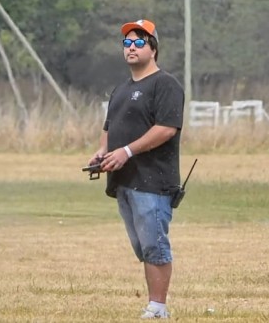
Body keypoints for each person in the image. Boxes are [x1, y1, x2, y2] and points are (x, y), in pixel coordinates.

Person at [89, 18, 185, 320]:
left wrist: (127, 151)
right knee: (142, 247)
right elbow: (110, 126)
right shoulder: (121, 88)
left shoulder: (165, 84)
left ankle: (158, 308)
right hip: (125, 181)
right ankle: (154, 305)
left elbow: (167, 128)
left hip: (153, 181)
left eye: (139, 42)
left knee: (155, 246)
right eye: (127, 43)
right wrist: (102, 152)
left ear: (153, 49)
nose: (131, 47)